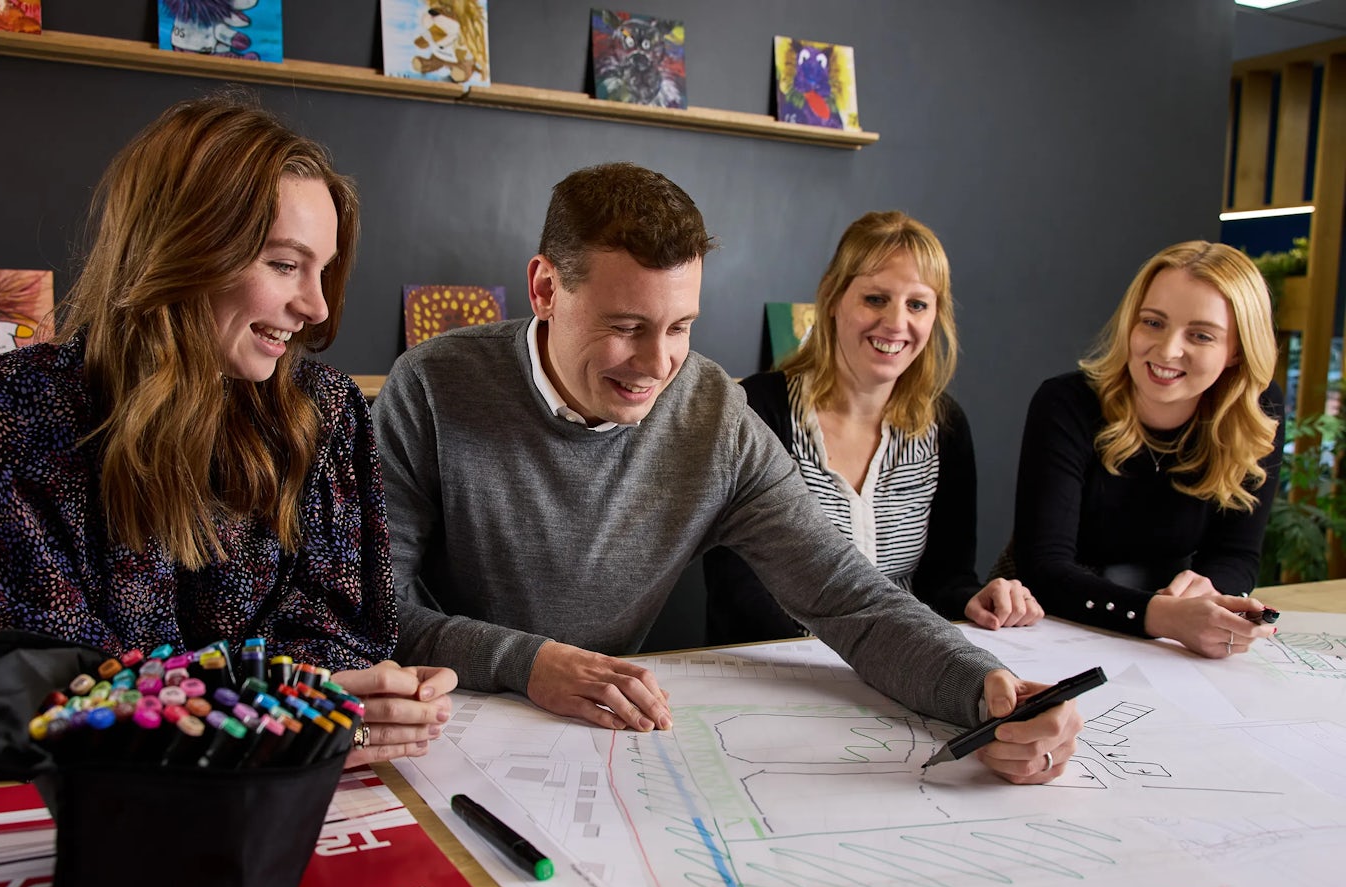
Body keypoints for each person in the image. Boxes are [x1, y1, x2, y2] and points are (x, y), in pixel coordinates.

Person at [374, 162, 1081, 785]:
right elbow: (373, 606)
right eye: (626, 326)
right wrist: (529, 663)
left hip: (605, 738)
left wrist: (987, 689)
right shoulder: (432, 387)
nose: (657, 367)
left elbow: (848, 596)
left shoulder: (715, 415)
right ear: (545, 288)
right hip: (440, 725)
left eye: (680, 327)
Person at [0, 95, 455, 765]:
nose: (317, 306)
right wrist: (274, 719)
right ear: (183, 247)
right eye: (283, 264)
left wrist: (358, 699)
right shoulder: (8, 411)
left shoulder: (325, 410)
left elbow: (343, 631)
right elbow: (32, 685)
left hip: (288, 801)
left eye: (323, 269)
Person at [703, 211, 1041, 644]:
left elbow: (946, 580)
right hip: (779, 673)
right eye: (876, 299)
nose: (896, 323)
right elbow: (737, 590)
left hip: (901, 671)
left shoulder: (946, 425)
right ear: (833, 299)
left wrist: (977, 599)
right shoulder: (757, 409)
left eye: (917, 304)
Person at [1007, 241, 1284, 658]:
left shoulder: (1258, 409)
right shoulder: (1066, 403)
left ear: (1237, 352)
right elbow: (1044, 570)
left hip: (1170, 633)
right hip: (1049, 621)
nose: (1168, 349)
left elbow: (1237, 553)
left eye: (1201, 335)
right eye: (1153, 323)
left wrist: (1213, 593)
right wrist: (1166, 617)